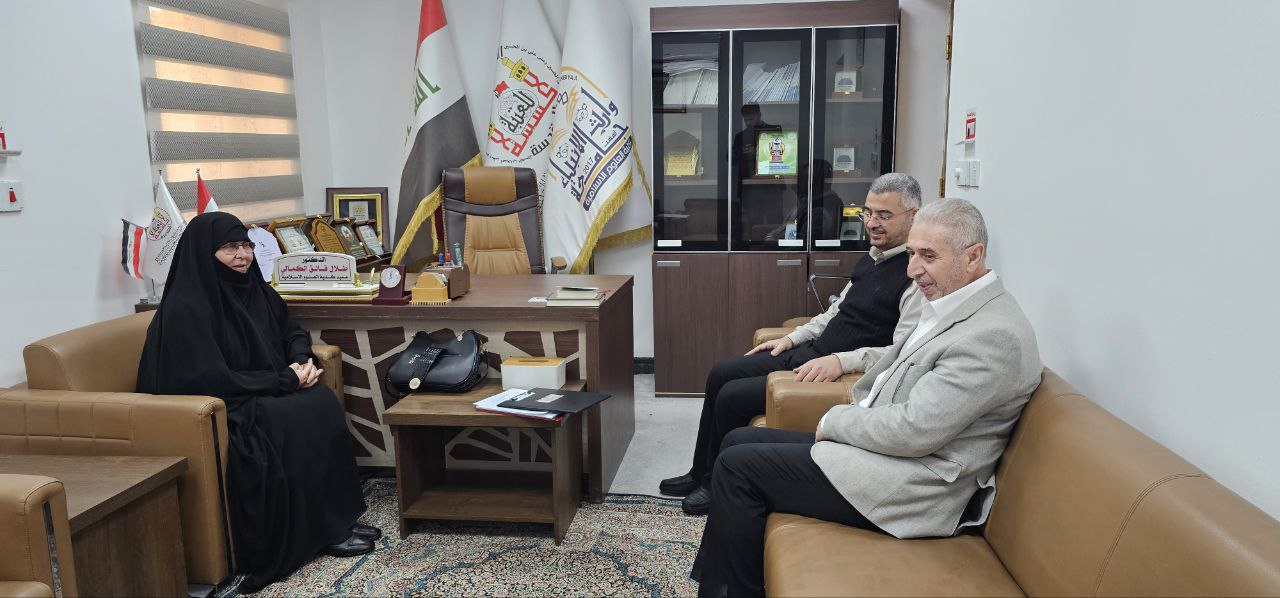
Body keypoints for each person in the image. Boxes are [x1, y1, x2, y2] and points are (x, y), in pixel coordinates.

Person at [690, 198, 1043, 597]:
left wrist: (833, 420)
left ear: (973, 256)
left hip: (913, 484)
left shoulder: (993, 335)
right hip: (886, 452)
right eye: (911, 254)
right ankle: (720, 584)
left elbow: (914, 431)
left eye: (928, 256)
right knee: (738, 441)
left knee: (738, 468)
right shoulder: (954, 303)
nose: (913, 269)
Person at [136, 212, 379, 593]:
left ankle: (331, 524)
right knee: (290, 418)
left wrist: (301, 360)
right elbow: (208, 378)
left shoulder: (254, 288)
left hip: (258, 388)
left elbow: (290, 330)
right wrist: (285, 380)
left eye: (245, 246)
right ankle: (312, 534)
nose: (242, 256)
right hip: (220, 404)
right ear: (204, 253)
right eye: (229, 248)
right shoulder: (187, 308)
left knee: (319, 402)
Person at [660, 173, 927, 515]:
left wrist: (842, 361)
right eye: (868, 213)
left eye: (884, 215)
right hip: (809, 352)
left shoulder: (916, 278)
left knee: (732, 396)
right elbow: (834, 313)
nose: (872, 223)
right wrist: (790, 338)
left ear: (914, 215)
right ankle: (700, 472)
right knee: (721, 372)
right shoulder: (874, 257)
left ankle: (715, 485)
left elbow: (901, 353)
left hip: (830, 369)